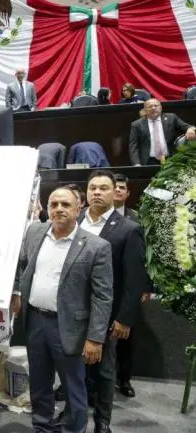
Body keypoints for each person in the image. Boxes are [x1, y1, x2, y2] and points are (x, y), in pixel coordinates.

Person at [10, 187, 113, 433]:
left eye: (65, 205)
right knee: (39, 381)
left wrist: (95, 338)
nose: (58, 209)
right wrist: (16, 292)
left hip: (69, 327)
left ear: (79, 209)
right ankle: (42, 426)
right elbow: (20, 264)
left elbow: (102, 296)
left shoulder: (96, 246)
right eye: (53, 204)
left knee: (72, 387)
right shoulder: (35, 232)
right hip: (35, 321)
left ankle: (73, 429)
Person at [79, 171, 149, 432]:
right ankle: (75, 411)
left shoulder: (129, 229)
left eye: (103, 188)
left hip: (108, 312)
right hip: (74, 309)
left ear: (115, 193)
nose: (97, 192)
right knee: (74, 365)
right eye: (93, 188)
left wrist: (125, 318)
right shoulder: (76, 220)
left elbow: (134, 278)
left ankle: (102, 421)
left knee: (105, 369)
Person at [128, 98, 196, 166]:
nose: (153, 108)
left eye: (156, 105)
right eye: (150, 106)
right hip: (148, 161)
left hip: (171, 159)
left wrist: (191, 129)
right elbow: (133, 145)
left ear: (160, 107)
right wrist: (136, 163)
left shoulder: (171, 118)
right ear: (145, 110)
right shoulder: (137, 124)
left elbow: (186, 126)